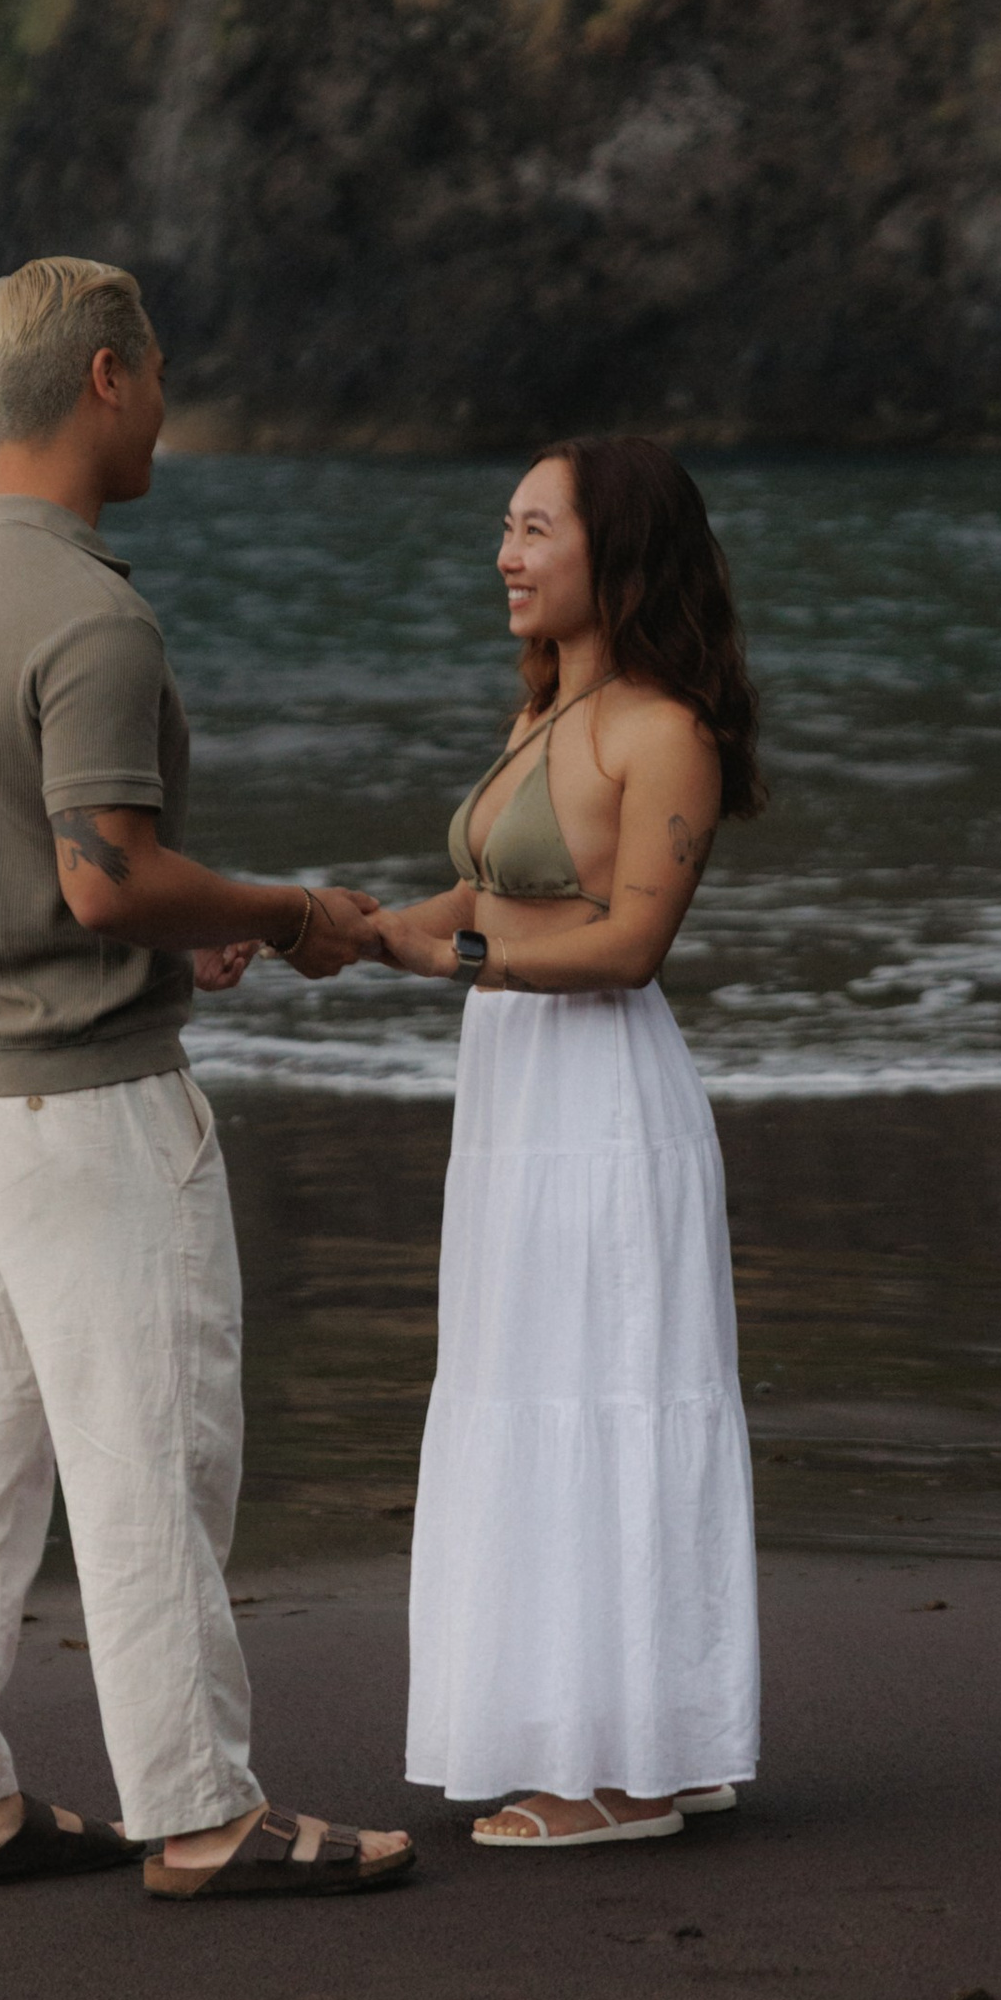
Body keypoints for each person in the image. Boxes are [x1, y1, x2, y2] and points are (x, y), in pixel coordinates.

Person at [0, 254, 413, 1901]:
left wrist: (177, 945)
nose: (169, 401)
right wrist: (289, 913)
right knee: (150, 1455)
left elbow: (21, 884)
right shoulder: (90, 609)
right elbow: (107, 872)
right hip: (82, 1110)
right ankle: (201, 1810)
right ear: (106, 379)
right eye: (160, 371)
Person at [370, 436, 765, 1845]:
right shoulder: (545, 713)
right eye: (505, 527)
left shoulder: (661, 730)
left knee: (608, 1392)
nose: (507, 556)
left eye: (537, 530)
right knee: (534, 1385)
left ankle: (634, 1773)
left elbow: (630, 943)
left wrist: (455, 954)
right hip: (518, 1102)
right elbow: (481, 897)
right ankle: (651, 1731)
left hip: (600, 1109)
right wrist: (331, 927)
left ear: (620, 554)